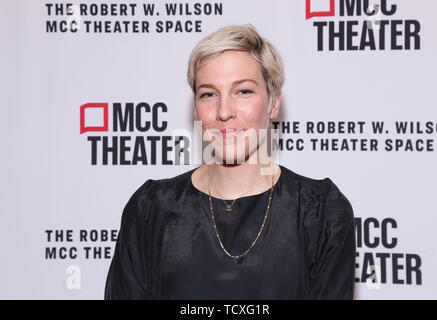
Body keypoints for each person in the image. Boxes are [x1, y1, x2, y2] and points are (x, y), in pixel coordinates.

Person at [104, 24, 356, 300]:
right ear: (196, 107)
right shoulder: (152, 210)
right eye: (209, 94)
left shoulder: (320, 214)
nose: (224, 112)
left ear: (273, 103)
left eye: (243, 91)